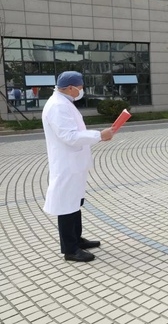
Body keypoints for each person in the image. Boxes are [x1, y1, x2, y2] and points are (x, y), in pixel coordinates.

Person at [42, 71, 114, 262]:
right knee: (67, 205)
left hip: (73, 163)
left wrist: (98, 137)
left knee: (75, 202)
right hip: (66, 164)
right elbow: (69, 136)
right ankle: (70, 249)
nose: (82, 91)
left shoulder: (64, 102)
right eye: (80, 88)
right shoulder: (57, 106)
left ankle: (77, 239)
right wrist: (99, 135)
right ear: (70, 88)